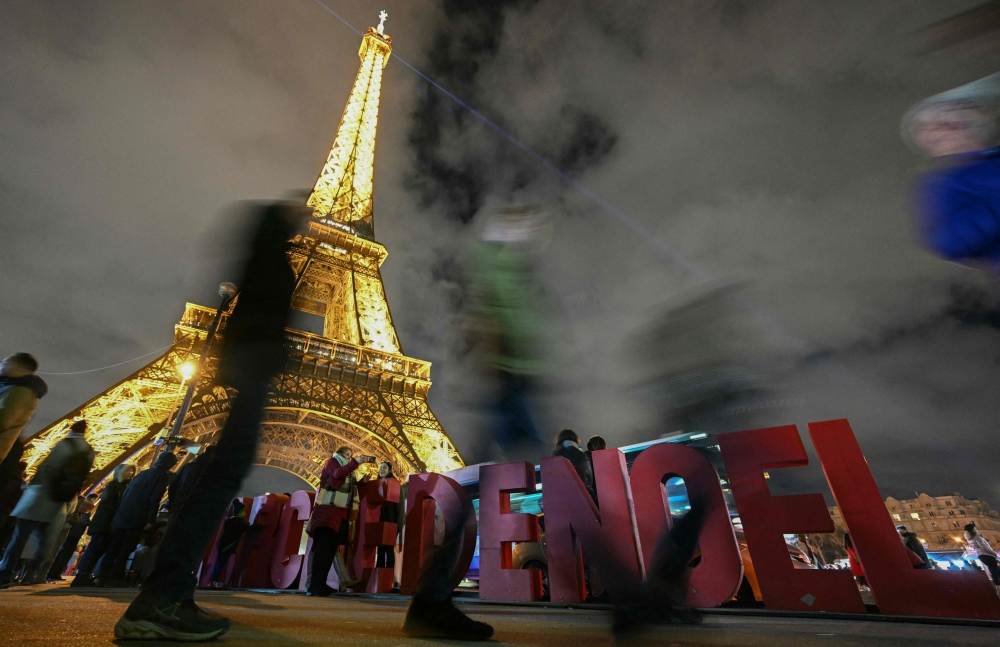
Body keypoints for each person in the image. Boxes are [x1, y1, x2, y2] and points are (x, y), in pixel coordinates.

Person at [115, 201, 307, 641]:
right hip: (256, 364)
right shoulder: (272, 258)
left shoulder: (266, 253)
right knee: (222, 476)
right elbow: (263, 314)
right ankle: (164, 596)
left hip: (250, 363)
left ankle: (165, 593)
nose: (307, 221)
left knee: (220, 474)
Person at [469, 206, 551, 461]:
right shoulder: (502, 270)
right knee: (517, 431)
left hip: (510, 369)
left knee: (506, 429)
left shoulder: (507, 272)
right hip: (508, 368)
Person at [901, 73, 1000, 278]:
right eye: (936, 126)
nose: (945, 129)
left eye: (952, 121)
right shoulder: (939, 184)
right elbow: (949, 243)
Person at [0, 419, 94, 587]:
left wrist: (33, 488)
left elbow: (45, 469)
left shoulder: (64, 445)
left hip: (40, 497)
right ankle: (35, 574)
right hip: (60, 503)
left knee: (19, 538)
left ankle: (6, 573)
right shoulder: (89, 451)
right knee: (46, 542)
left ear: (71, 430)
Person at [98, 451, 177, 587]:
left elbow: (126, 493)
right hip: (137, 518)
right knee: (125, 549)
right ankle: (115, 578)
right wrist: (151, 520)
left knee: (113, 548)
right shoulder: (162, 476)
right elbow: (155, 499)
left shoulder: (142, 473)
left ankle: (101, 577)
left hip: (122, 516)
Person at [306, 445, 374, 597]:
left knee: (330, 551)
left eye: (351, 455)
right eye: (347, 454)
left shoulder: (350, 473)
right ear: (339, 454)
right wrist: (355, 463)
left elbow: (352, 496)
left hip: (341, 515)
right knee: (323, 550)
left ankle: (320, 584)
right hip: (328, 512)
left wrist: (361, 484)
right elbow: (337, 476)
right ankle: (314, 586)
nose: (349, 457)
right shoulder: (332, 462)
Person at [72, 463, 135, 587]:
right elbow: (108, 506)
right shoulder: (114, 486)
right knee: (94, 550)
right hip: (105, 525)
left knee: (97, 551)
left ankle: (85, 576)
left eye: (132, 472)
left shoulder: (120, 486)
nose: (130, 474)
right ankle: (82, 576)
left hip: (109, 525)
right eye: (128, 471)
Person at [0, 353, 48, 464]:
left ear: (14, 366)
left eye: (4, 363)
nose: (1, 365)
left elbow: (4, 421)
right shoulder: (14, 387)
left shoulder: (23, 391)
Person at [47, 493, 98, 581]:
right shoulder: (84, 508)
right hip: (74, 535)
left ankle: (52, 572)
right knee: (65, 554)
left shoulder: (76, 505)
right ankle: (55, 573)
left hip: (70, 534)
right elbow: (85, 521)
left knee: (61, 553)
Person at [208, 500, 256, 588]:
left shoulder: (229, 521)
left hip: (223, 546)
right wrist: (259, 526)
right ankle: (214, 581)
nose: (245, 514)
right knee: (220, 564)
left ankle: (214, 581)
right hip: (228, 547)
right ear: (240, 512)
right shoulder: (239, 522)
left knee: (219, 563)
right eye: (244, 512)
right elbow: (248, 529)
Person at [167, 445, 216, 516]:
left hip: (177, 506)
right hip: (194, 510)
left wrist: (173, 503)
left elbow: (173, 486)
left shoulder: (188, 466)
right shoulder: (210, 472)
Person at [552, 429, 594, 500]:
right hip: (582, 499)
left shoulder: (554, 458)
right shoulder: (583, 457)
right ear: (576, 440)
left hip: (561, 500)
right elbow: (589, 480)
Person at [375, 462, 399, 574]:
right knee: (380, 549)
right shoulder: (376, 484)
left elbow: (399, 507)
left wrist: (398, 524)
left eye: (384, 467)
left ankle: (388, 578)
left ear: (390, 470)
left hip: (391, 521)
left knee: (388, 549)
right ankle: (379, 579)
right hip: (379, 521)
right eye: (380, 467)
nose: (381, 469)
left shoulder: (395, 484)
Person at [964, 523, 1000, 595]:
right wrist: (994, 554)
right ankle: (998, 590)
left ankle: (998, 590)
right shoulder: (977, 537)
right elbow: (984, 547)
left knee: (993, 572)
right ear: (973, 529)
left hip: (981, 556)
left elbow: (975, 548)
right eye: (975, 528)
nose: (976, 529)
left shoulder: (970, 539)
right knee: (995, 572)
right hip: (987, 554)